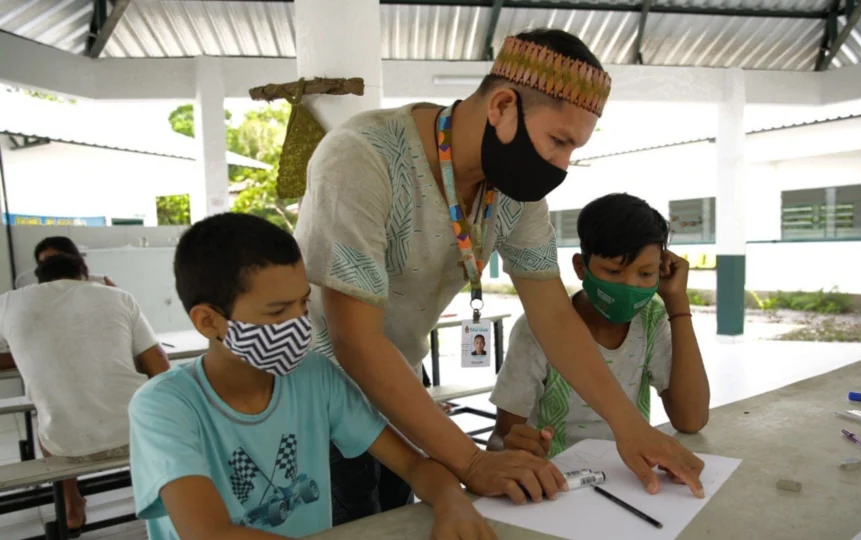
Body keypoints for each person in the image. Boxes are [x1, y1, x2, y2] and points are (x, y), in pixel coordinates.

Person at [295, 27, 704, 524]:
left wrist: (628, 426)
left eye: (573, 149)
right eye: (558, 141)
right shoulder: (362, 158)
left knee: (400, 517)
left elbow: (552, 314)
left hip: (400, 372)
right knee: (352, 521)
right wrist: (471, 461)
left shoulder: (514, 191)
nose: (562, 164)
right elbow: (353, 341)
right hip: (317, 389)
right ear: (502, 107)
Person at [127, 213, 496, 540]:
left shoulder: (314, 377)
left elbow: (413, 465)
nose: (298, 325)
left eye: (303, 303)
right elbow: (209, 533)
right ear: (209, 321)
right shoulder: (164, 406)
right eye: (277, 312)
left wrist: (452, 501)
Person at [488, 194, 710, 462]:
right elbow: (500, 438)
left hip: (630, 478)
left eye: (646, 273)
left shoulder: (651, 321)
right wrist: (515, 449)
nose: (629, 286)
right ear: (581, 267)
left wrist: (677, 303)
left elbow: (691, 419)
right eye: (613, 272)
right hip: (559, 482)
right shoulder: (537, 330)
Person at [0, 252, 169, 533]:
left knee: (52, 417)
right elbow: (159, 365)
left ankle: (72, 504)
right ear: (84, 275)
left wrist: (29, 351)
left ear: (39, 280)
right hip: (138, 433)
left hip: (65, 446)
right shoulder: (119, 297)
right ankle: (154, 489)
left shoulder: (8, 302)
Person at [34, 236, 116, 286]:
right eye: (43, 263)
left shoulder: (102, 282)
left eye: (54, 260)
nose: (49, 266)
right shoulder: (39, 292)